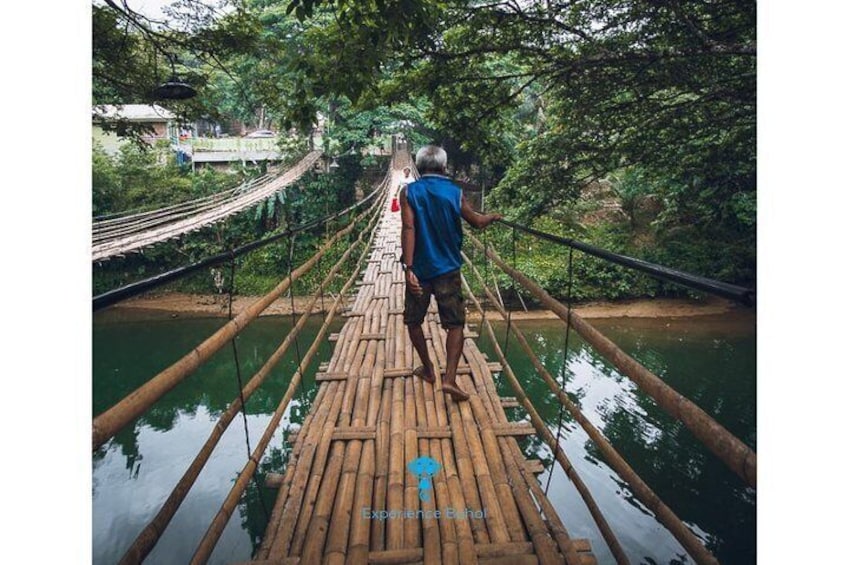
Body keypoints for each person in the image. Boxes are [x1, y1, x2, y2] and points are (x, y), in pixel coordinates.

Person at [399, 145, 501, 401]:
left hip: (420, 269)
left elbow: (408, 228)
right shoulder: (455, 193)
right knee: (455, 325)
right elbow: (476, 222)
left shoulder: (409, 191)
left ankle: (429, 369)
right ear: (444, 167)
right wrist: (493, 217)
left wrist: (408, 269)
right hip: (448, 269)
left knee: (413, 322)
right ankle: (450, 379)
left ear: (419, 167)